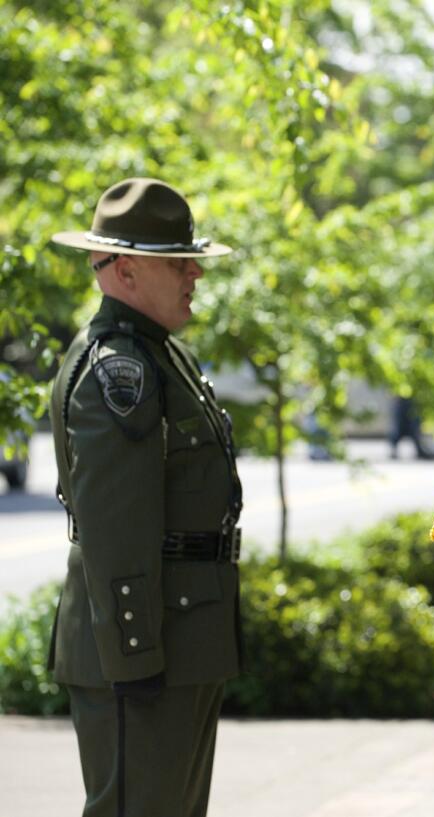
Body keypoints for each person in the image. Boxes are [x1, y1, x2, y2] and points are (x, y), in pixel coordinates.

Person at [48, 178, 243, 817]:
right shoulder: (119, 368)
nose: (195, 274)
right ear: (125, 270)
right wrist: (136, 656)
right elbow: (116, 529)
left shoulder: (162, 355)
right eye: (177, 262)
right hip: (145, 646)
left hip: (181, 639)